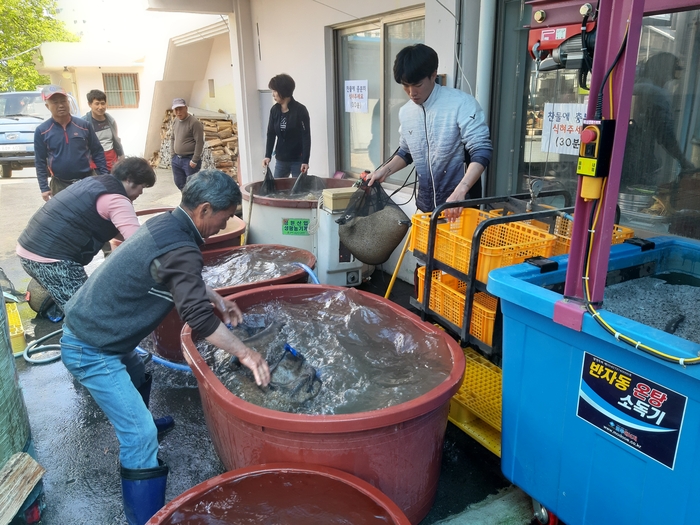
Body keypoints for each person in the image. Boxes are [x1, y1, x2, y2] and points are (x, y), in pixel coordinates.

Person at [59, 170, 270, 525]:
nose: (226, 223)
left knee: (139, 370)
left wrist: (217, 297)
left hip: (98, 329)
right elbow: (200, 322)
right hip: (90, 347)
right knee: (140, 438)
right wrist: (247, 353)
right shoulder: (181, 246)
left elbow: (178, 276)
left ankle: (140, 421)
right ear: (204, 209)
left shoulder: (167, 226)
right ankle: (146, 519)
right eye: (226, 215)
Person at [367, 44, 493, 220]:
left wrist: (461, 190)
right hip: (426, 208)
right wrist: (384, 171)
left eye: (417, 85)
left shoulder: (461, 103)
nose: (412, 93)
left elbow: (481, 150)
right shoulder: (406, 112)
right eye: (405, 86)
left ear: (433, 75)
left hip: (460, 207)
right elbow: (406, 152)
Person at [16, 157, 156, 312]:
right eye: (142, 186)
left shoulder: (95, 182)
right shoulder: (117, 199)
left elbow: (123, 232)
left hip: (28, 249)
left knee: (83, 304)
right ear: (129, 180)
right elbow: (138, 244)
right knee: (86, 314)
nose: (141, 192)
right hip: (50, 260)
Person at [621, 52, 695, 189]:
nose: (670, 82)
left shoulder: (632, 87)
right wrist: (684, 161)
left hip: (621, 158)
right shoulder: (656, 94)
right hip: (641, 161)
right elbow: (666, 135)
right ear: (664, 71)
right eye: (672, 75)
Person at [34, 84, 109, 202]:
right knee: (65, 218)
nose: (60, 105)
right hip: (60, 185)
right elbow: (40, 161)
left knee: (92, 215)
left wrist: (105, 177)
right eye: (55, 102)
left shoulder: (83, 125)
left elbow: (97, 151)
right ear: (47, 106)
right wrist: (44, 187)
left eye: (63, 101)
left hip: (88, 180)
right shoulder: (42, 131)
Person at [263, 74, 311, 178]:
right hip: (281, 159)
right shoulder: (274, 110)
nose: (273, 94)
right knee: (276, 191)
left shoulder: (300, 110)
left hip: (298, 160)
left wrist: (305, 160)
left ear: (283, 91)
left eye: (275, 91)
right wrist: (267, 155)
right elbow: (271, 134)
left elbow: (306, 136)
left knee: (298, 193)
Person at [83, 89, 125, 172]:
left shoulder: (110, 120)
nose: (100, 107)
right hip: (96, 162)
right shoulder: (84, 123)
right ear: (90, 104)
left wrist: (121, 155)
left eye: (103, 103)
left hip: (113, 160)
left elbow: (116, 139)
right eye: (97, 104)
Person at [170, 97, 204, 190]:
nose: (178, 112)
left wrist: (195, 160)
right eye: (176, 109)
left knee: (192, 186)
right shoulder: (176, 121)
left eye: (180, 109)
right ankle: (187, 202)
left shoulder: (194, 123)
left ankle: (195, 203)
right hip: (177, 159)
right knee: (179, 183)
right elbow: (172, 138)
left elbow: (199, 142)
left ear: (186, 108)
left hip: (189, 159)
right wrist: (173, 155)